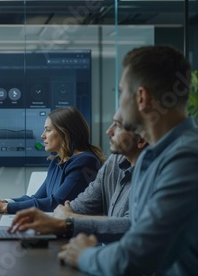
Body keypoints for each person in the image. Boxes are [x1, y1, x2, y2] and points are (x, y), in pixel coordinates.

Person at [18, 45, 198, 275]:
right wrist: (67, 224)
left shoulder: (186, 160)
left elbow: (135, 256)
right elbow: (135, 227)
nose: (119, 102)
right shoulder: (152, 158)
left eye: (121, 91)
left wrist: (84, 254)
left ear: (142, 98)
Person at [8, 108, 147, 243]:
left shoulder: (86, 161)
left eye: (118, 126)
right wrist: (7, 202)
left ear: (140, 139)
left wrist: (68, 220)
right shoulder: (113, 161)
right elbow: (79, 205)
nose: (108, 131)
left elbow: (132, 226)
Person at [0, 107, 105, 214]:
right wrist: (4, 202)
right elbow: (37, 198)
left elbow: (56, 203)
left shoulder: (86, 162)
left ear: (66, 133)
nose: (42, 135)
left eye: (48, 130)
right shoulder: (57, 161)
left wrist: (5, 208)